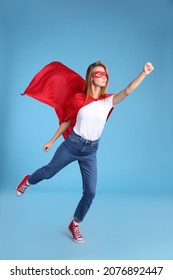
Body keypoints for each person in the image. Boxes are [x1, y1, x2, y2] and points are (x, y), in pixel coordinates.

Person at [16, 61, 154, 243]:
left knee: (90, 191)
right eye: (99, 74)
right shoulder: (78, 99)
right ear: (91, 77)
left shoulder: (108, 101)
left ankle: (75, 224)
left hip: (90, 151)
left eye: (105, 74)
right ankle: (28, 180)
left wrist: (143, 73)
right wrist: (52, 140)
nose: (104, 76)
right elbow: (66, 121)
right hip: (72, 145)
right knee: (48, 172)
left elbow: (128, 90)